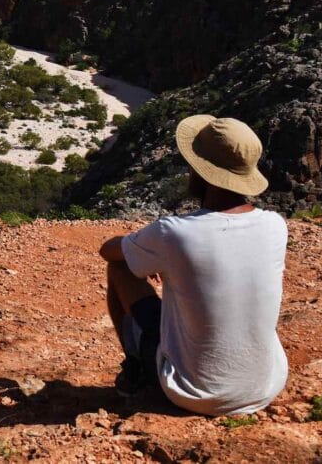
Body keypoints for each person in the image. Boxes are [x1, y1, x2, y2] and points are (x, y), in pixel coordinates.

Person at [98, 115, 288, 416]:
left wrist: (148, 251)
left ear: (201, 172)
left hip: (192, 393)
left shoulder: (174, 232)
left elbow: (107, 251)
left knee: (120, 269)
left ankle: (136, 369)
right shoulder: (275, 225)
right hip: (265, 386)